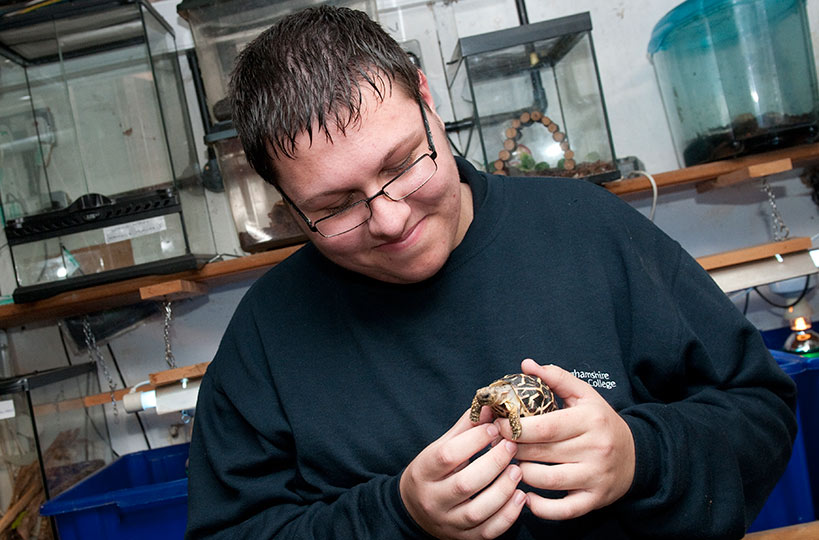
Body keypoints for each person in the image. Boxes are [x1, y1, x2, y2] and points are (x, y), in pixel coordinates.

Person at [185, 6, 797, 539]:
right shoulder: (264, 341)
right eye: (334, 207)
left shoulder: (587, 229)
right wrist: (398, 516)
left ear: (428, 100)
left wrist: (642, 457)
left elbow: (761, 412)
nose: (390, 222)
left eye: (402, 165)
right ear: (287, 207)